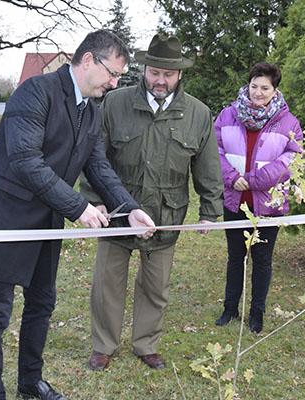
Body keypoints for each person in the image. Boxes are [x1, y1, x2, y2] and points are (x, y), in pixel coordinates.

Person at [0, 30, 155, 400]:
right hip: (6, 219)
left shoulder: (92, 110)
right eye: (112, 74)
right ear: (89, 60)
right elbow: (27, 162)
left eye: (119, 78)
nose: (114, 83)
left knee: (41, 303)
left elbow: (98, 166)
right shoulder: (35, 92)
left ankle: (31, 383)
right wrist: (79, 208)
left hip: (46, 220)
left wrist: (131, 209)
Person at [81, 34, 223, 371]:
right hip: (117, 213)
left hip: (165, 215)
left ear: (179, 75)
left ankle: (146, 344)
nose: (160, 80)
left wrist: (210, 212)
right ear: (145, 69)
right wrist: (93, 199)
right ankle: (104, 345)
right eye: (154, 72)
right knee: (106, 285)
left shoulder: (198, 114)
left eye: (168, 75)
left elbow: (207, 167)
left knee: (155, 288)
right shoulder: (114, 104)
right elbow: (95, 156)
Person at [213, 62, 302, 334]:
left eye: (265, 87)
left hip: (269, 207)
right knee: (235, 258)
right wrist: (231, 178)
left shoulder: (289, 123)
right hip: (235, 203)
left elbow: (290, 159)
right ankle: (230, 308)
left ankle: (257, 313)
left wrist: (252, 181)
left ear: (275, 91)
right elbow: (214, 150)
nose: (258, 92)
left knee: (262, 261)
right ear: (247, 85)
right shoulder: (227, 116)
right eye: (254, 86)